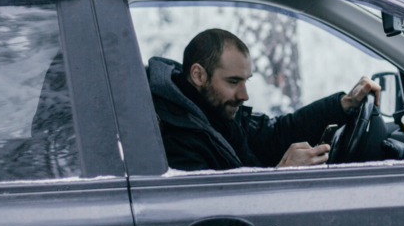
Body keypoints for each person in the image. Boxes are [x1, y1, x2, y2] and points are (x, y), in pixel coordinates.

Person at [148, 28, 381, 171]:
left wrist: (344, 103)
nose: (244, 95)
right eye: (233, 82)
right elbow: (215, 217)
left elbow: (276, 134)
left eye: (246, 81)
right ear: (199, 75)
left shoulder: (213, 111)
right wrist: (282, 173)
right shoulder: (171, 139)